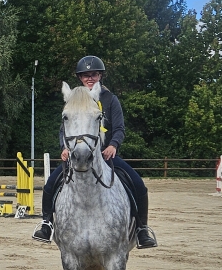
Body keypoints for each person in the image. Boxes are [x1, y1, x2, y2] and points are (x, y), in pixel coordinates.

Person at [32, 55, 158, 248]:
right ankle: (47, 223)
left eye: (93, 74)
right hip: (77, 154)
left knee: (138, 185)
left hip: (105, 155)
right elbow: (64, 128)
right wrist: (64, 148)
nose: (89, 78)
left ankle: (142, 229)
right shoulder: (74, 100)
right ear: (80, 78)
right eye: (85, 75)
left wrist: (113, 145)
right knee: (50, 184)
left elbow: (119, 128)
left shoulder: (110, 99)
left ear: (100, 75)